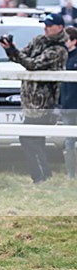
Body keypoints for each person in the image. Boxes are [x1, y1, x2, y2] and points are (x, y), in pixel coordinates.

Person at [0, 12, 67, 183]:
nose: (46, 28)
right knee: (34, 139)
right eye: (45, 25)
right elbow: (21, 56)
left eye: (49, 26)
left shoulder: (59, 50)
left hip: (44, 102)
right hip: (29, 100)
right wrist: (10, 48)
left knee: (29, 138)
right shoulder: (39, 40)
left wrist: (15, 52)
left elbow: (32, 64)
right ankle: (43, 175)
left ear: (59, 28)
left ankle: (40, 176)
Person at [61, 26, 77, 178]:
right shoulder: (64, 58)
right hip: (67, 107)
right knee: (69, 141)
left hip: (74, 106)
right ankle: (71, 173)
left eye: (66, 39)